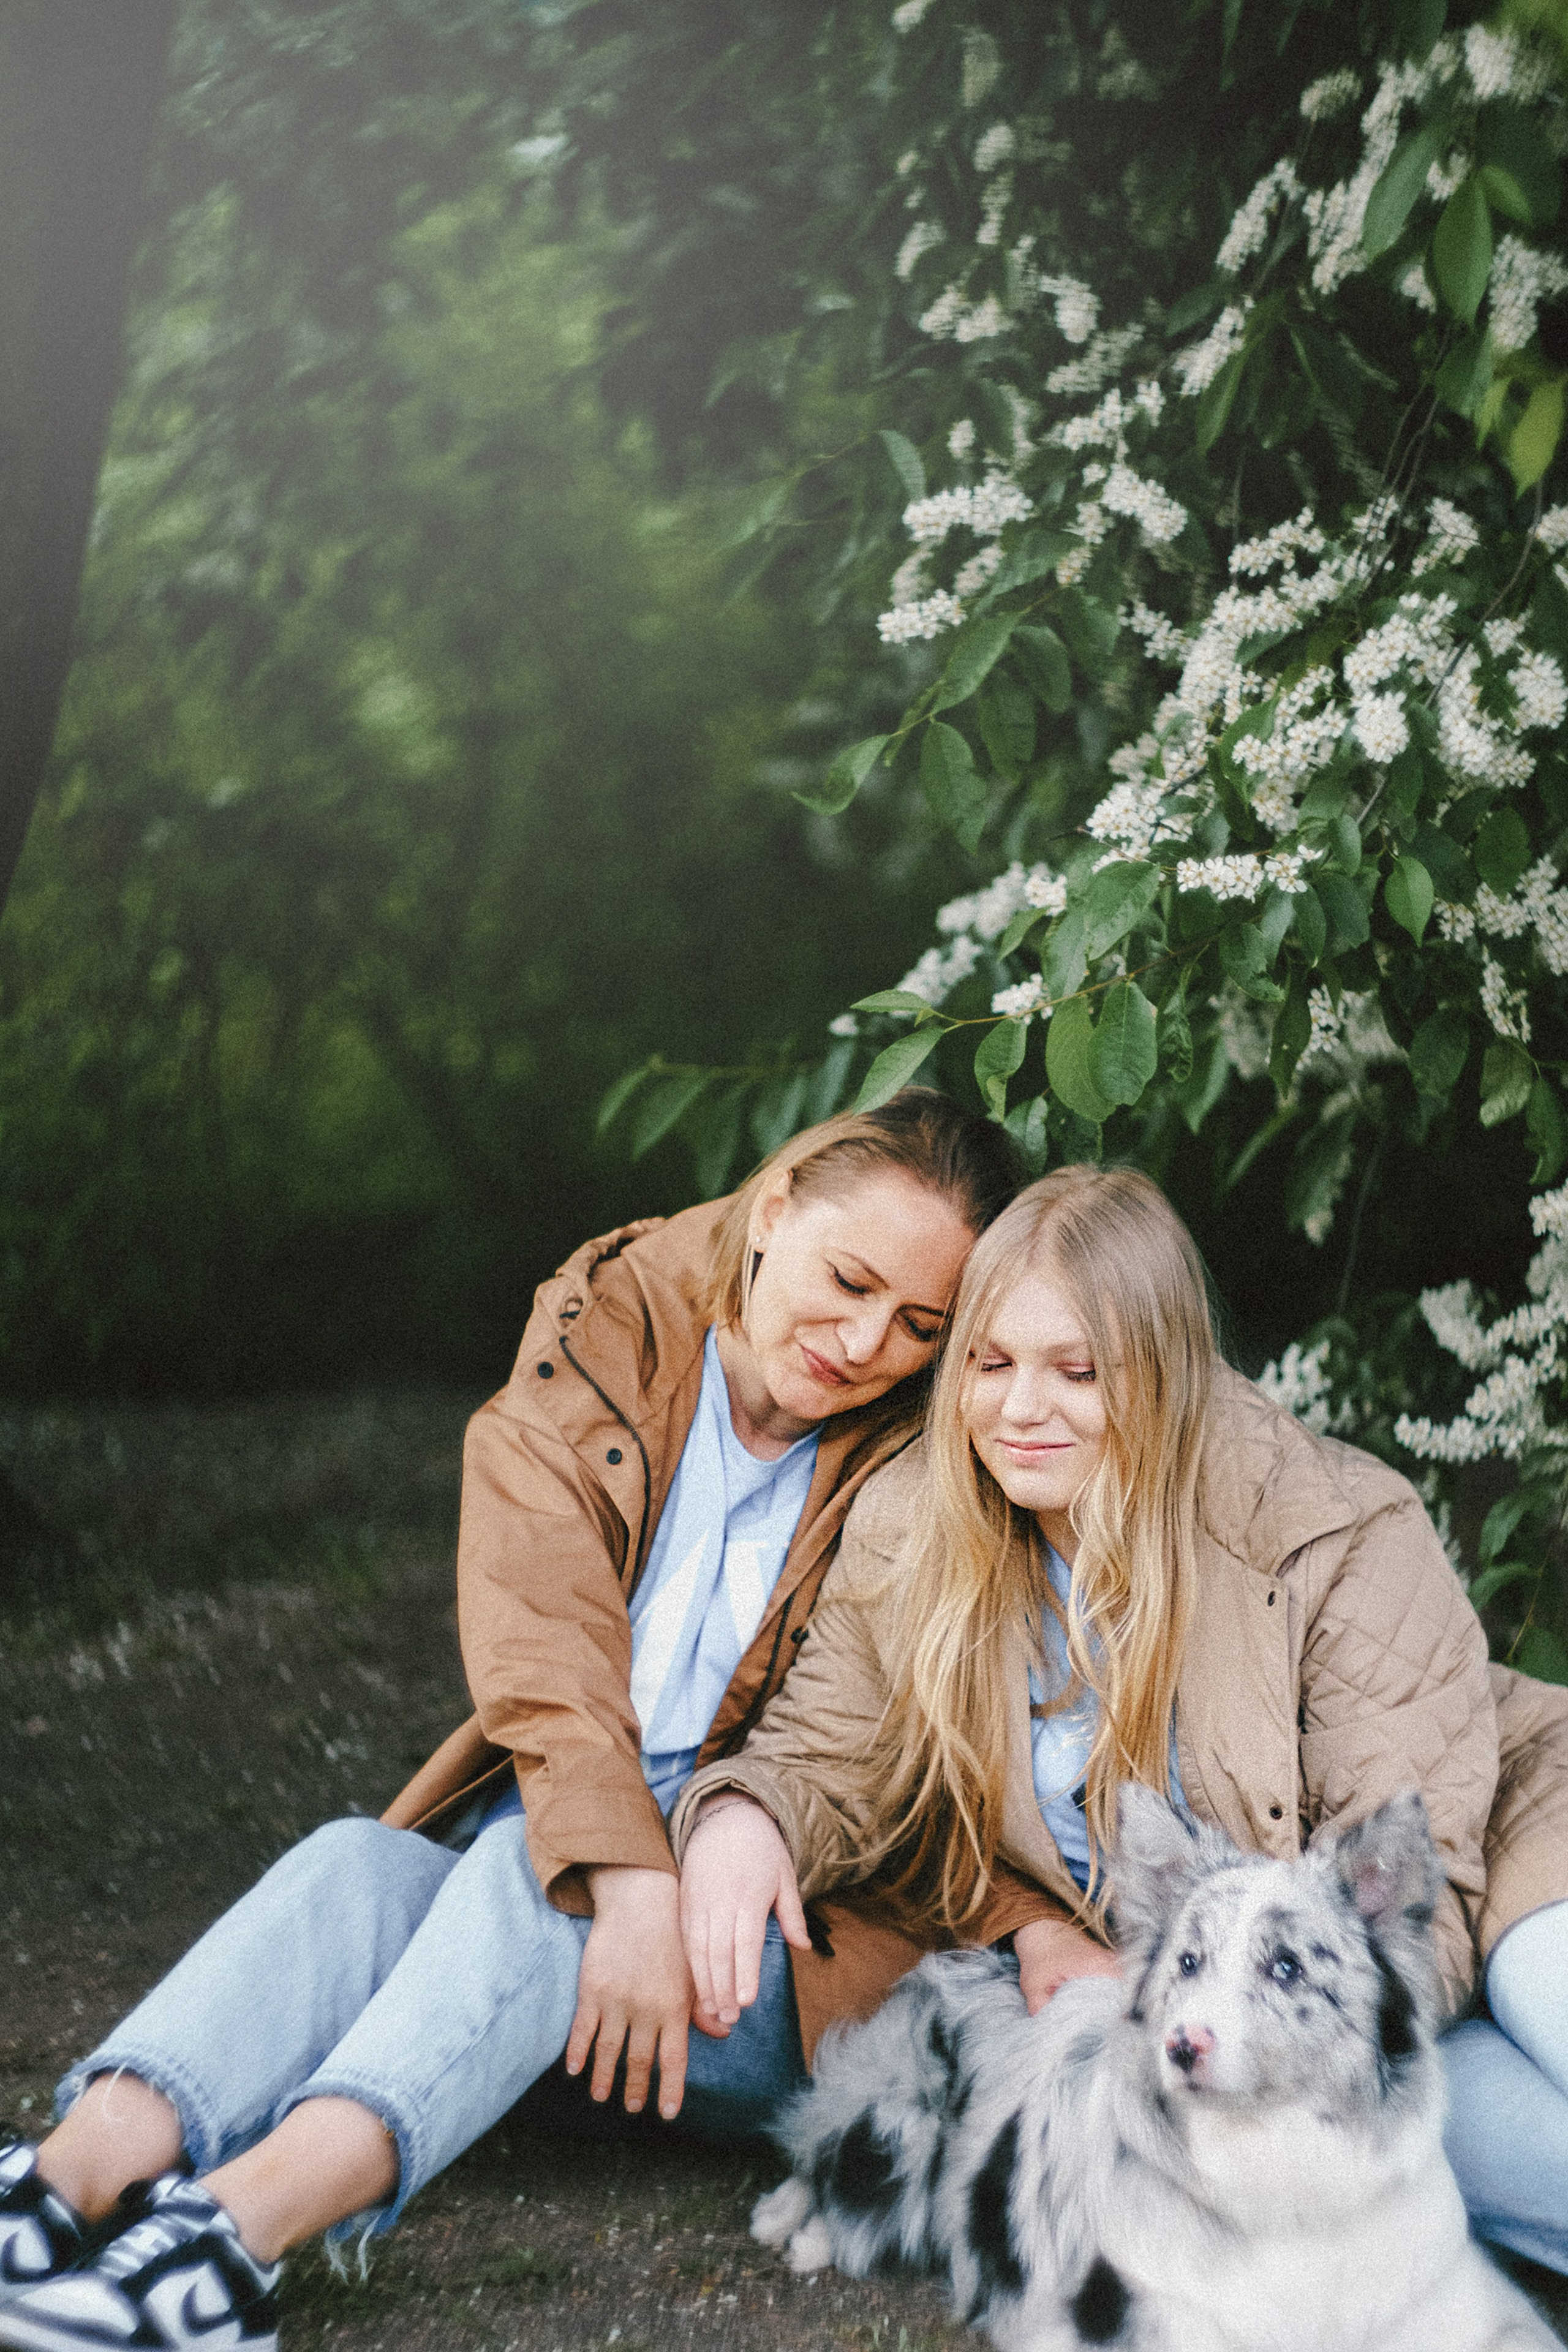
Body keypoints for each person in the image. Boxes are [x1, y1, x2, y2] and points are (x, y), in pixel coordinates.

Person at [0, 1091, 1019, 2352]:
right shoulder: (601, 1341)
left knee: (531, 1876)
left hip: (786, 1955)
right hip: (580, 1890)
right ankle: (62, 2188)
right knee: (360, 1862)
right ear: (771, 1211)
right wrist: (626, 1876)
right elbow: (538, 1637)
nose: (865, 1343)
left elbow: (864, 1748)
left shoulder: (930, 1455)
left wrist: (645, 1877)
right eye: (849, 1281)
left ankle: (219, 2251)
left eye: (920, 1325)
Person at [675, 1163, 1568, 2278]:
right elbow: (823, 1753)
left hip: (1512, 1853)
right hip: (1281, 2022)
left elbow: (1416, 1898)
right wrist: (750, 1815)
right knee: (1472, 2160)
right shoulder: (922, 1520)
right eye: (990, 1363)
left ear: (1162, 1370)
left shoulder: (1333, 1530)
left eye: (1078, 1371)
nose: (1021, 1408)